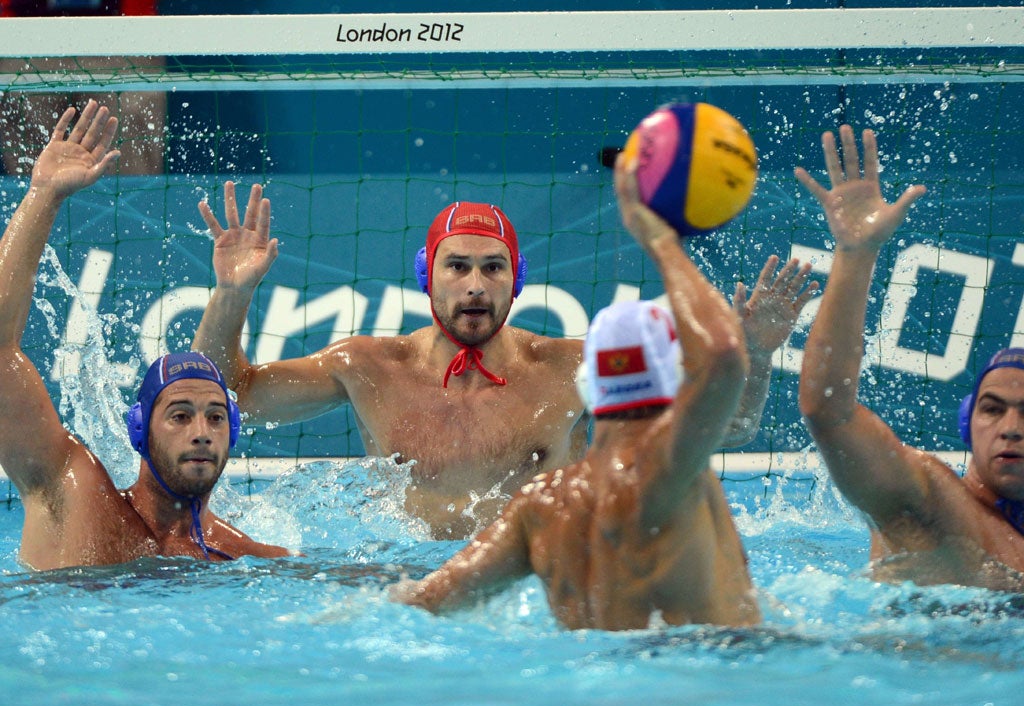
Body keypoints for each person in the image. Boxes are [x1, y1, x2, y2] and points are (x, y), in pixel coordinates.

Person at [192, 182, 816, 540]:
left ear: (516, 281)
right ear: (426, 276)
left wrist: (757, 352)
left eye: (493, 268)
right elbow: (229, 392)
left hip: (538, 580)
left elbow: (730, 426)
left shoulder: (577, 366)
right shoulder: (368, 366)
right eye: (457, 266)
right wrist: (233, 292)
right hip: (405, 578)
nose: (474, 286)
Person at [390, 149, 762, 630]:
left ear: (590, 385)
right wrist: (662, 240)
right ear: (676, 383)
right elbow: (726, 361)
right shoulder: (674, 470)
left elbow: (424, 601)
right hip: (716, 671)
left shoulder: (540, 506)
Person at [0, 100, 292, 570]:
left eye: (216, 418)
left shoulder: (246, 557)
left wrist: (232, 293)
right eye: (179, 416)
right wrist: (43, 194)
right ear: (139, 429)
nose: (202, 434)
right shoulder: (73, 492)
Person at [797, 123, 1024, 591]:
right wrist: (855, 253)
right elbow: (828, 412)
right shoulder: (935, 503)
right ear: (969, 423)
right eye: (992, 408)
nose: (1011, 428)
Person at [0, 0, 166, 176]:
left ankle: (131, 201)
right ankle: (37, 200)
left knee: (130, 110)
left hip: (123, 31)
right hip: (23, 34)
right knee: (34, 180)